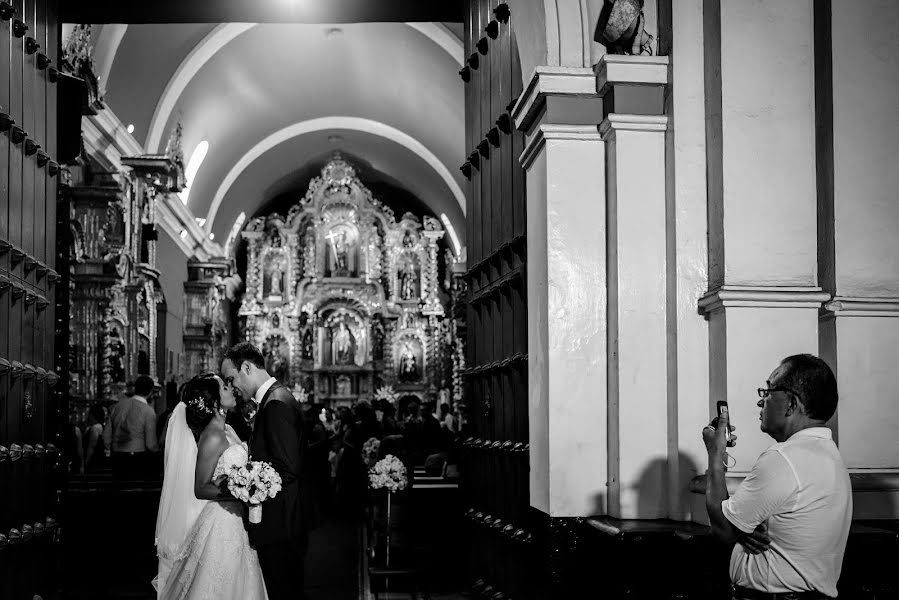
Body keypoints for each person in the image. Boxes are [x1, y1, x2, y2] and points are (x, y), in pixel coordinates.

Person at [702, 354, 851, 600]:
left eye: (768, 392)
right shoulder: (828, 453)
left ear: (792, 404)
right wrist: (744, 528)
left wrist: (716, 454)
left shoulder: (785, 458)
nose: (761, 402)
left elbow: (723, 530)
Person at [154, 372, 267, 599]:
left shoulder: (227, 430)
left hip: (237, 518)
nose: (231, 389)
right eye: (225, 388)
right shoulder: (213, 436)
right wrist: (240, 491)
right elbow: (200, 487)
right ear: (215, 402)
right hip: (223, 521)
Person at [221, 342, 317, 600]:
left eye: (231, 378)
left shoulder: (276, 404)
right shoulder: (276, 398)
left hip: (281, 523)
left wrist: (246, 484)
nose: (231, 387)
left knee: (283, 590)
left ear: (247, 367)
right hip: (283, 521)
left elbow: (287, 468)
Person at [103, 374, 159, 480]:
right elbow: (150, 444)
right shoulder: (148, 411)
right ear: (151, 392)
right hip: (137, 460)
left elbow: (106, 437)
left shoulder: (117, 407)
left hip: (117, 459)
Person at [83, 404, 108, 473]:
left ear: (92, 415)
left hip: (95, 460)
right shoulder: (101, 426)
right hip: (100, 459)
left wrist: (87, 460)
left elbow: (92, 446)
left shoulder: (95, 427)